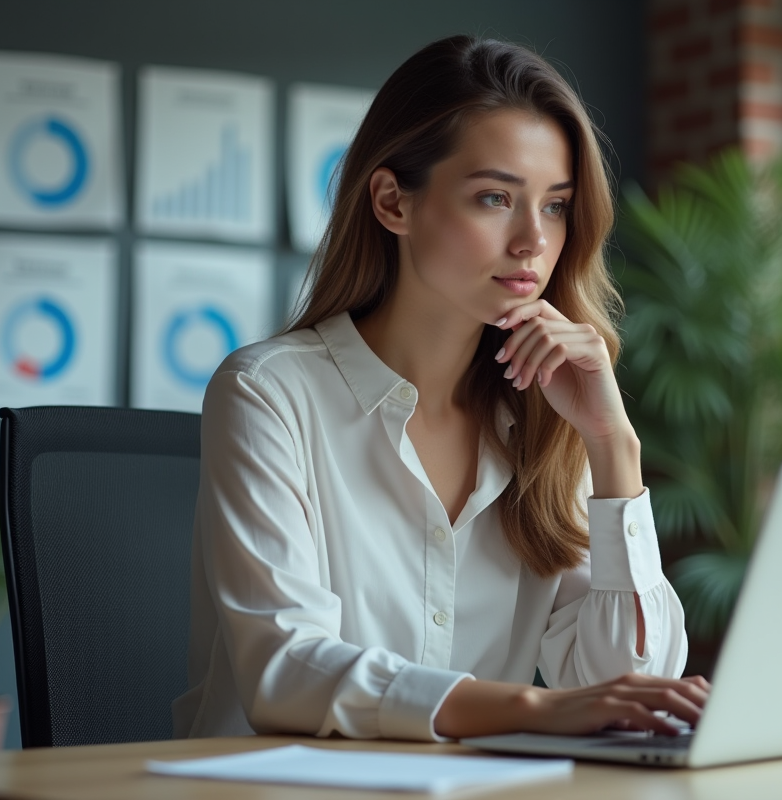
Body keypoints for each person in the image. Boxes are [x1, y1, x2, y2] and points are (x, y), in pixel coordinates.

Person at [173, 34, 709, 743]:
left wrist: (614, 448)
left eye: (555, 205)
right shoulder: (268, 395)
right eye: (495, 198)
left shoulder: (549, 417)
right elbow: (286, 669)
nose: (532, 242)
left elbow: (618, 680)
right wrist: (529, 709)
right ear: (393, 202)